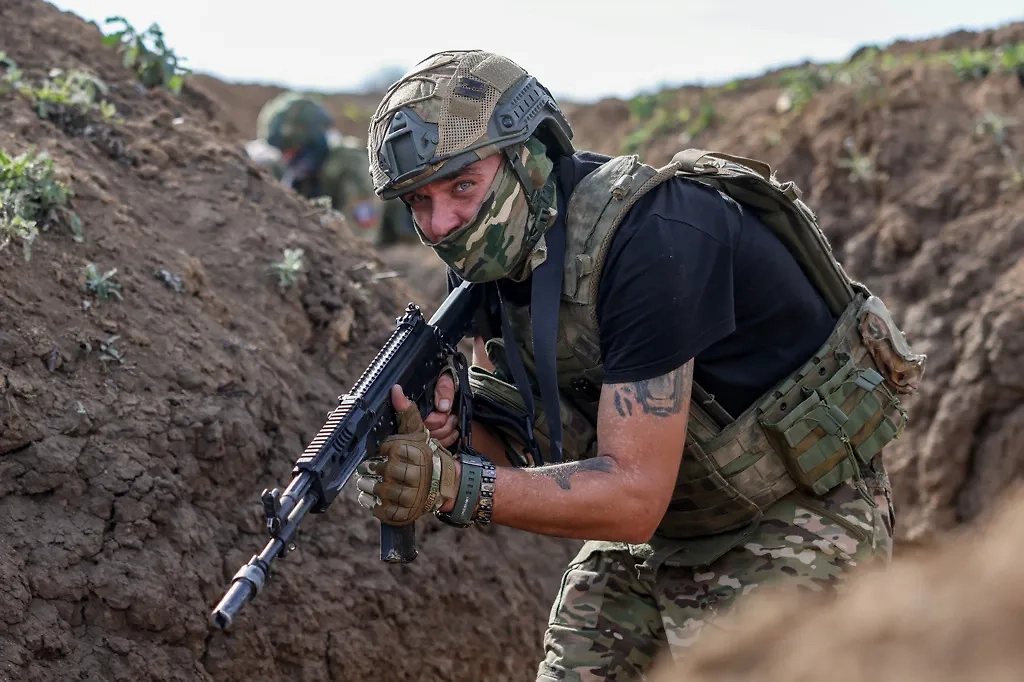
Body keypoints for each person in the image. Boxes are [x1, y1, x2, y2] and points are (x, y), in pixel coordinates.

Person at [354, 50, 926, 681]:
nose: (443, 223)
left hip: (793, 510)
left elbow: (630, 497)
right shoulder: (499, 260)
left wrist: (455, 483)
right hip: (667, 516)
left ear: (530, 158)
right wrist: (448, 439)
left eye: (463, 186)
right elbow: (527, 458)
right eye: (419, 201)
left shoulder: (651, 240)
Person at [250, 92, 417, 247]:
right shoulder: (296, 169)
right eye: (283, 152)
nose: (287, 158)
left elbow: (360, 239)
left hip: (393, 244)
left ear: (313, 143)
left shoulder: (350, 164)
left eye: (293, 151)